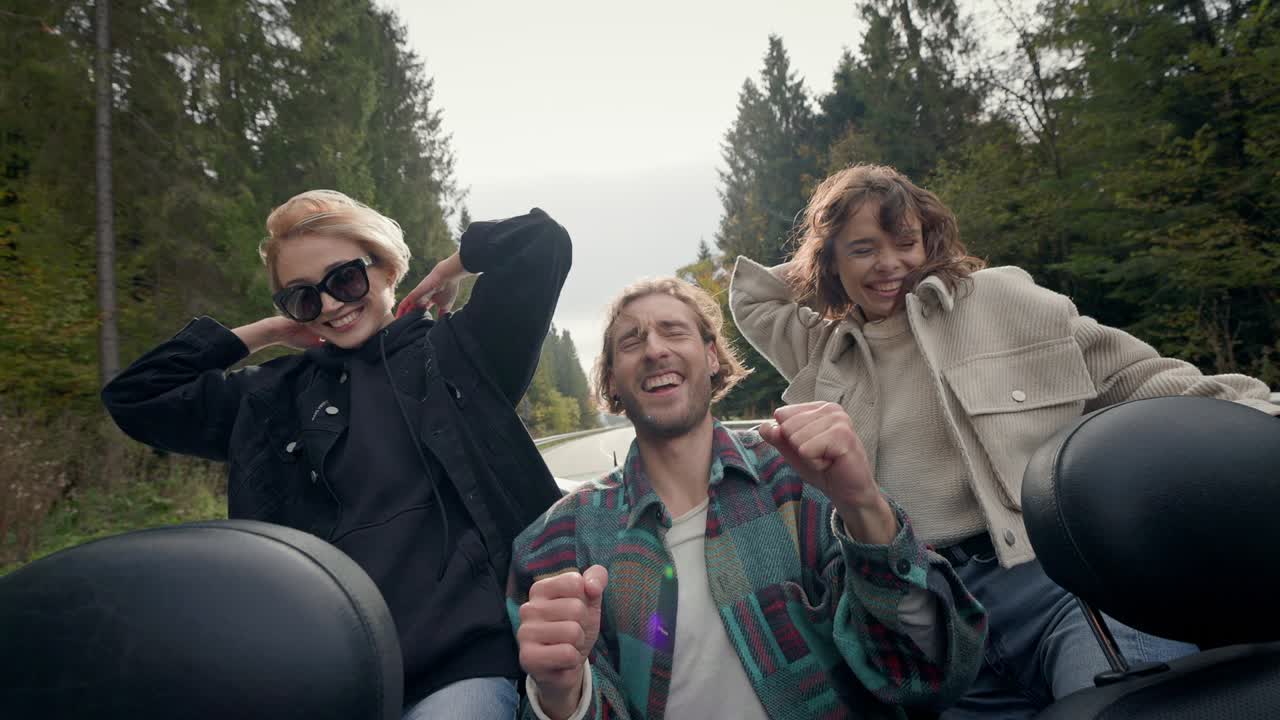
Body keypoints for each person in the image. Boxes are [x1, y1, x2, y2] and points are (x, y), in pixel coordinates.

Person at [728, 164, 1280, 718]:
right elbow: (752, 297)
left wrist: (1262, 413)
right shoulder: (824, 351)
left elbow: (1140, 378)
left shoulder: (1002, 299)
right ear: (832, 261)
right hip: (932, 617)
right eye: (864, 250)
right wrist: (829, 239)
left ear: (930, 240)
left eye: (905, 241)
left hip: (1055, 585)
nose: (889, 264)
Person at [102, 190, 572, 719]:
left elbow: (541, 242)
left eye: (344, 279)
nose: (328, 305)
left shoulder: (461, 354)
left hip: (461, 671)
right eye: (302, 298)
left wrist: (453, 266)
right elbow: (136, 399)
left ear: (386, 267)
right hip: (325, 685)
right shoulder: (269, 399)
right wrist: (264, 334)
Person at [506, 277, 987, 720]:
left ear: (712, 357)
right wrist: (560, 695)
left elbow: (932, 673)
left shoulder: (803, 479)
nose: (654, 349)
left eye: (673, 331)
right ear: (611, 381)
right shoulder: (555, 544)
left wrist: (865, 506)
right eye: (631, 341)